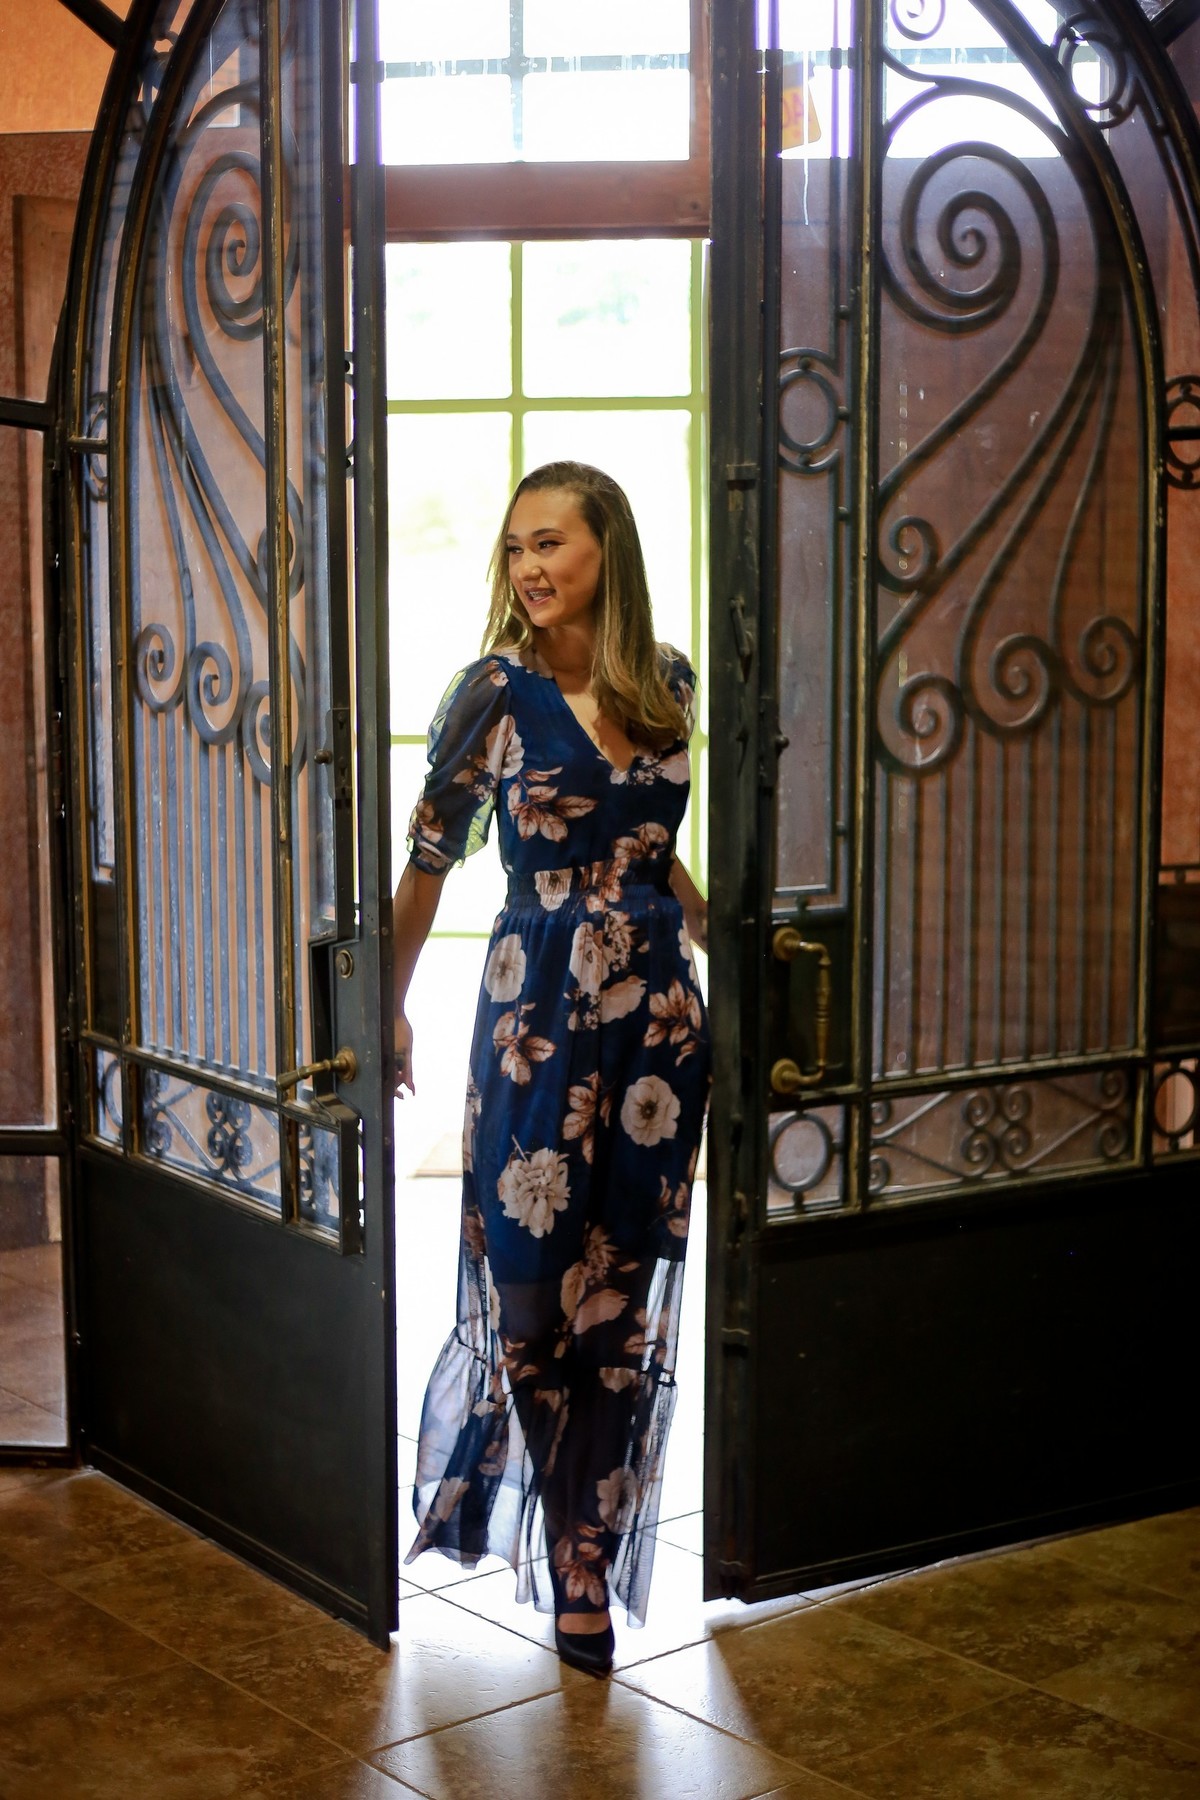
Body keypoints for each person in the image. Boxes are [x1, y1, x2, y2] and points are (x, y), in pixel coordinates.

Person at [392, 460, 710, 1677]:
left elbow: (651, 848)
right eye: (515, 547)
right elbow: (430, 861)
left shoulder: (667, 682)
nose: (527, 566)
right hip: (534, 1020)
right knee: (529, 1291)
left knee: (620, 1295)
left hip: (656, 1033)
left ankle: (583, 1557)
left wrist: (721, 939)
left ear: (606, 550)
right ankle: (561, 1509)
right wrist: (388, 1010)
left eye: (550, 544)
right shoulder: (494, 694)